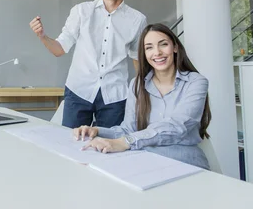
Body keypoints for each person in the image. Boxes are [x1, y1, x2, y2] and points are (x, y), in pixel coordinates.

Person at [72, 23, 212, 170]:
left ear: (175, 47)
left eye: (163, 44)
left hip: (186, 164)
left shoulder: (196, 82)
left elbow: (178, 126)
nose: (157, 52)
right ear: (144, 54)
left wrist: (126, 142)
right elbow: (128, 129)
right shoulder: (137, 84)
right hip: (146, 161)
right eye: (149, 47)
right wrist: (97, 131)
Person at [30, 0, 147, 129]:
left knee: (108, 147)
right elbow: (60, 49)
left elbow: (138, 59)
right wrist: (42, 37)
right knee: (70, 144)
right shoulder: (81, 11)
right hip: (79, 90)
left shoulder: (137, 20)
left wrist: (141, 93)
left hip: (115, 95)